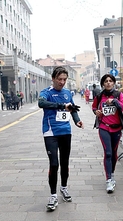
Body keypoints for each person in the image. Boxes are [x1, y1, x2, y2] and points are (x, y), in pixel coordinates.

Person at [38, 66, 83, 211]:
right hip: (50, 132)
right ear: (53, 78)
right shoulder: (46, 92)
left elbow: (72, 109)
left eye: (64, 79)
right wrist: (61, 105)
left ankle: (63, 187)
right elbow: (41, 103)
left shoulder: (67, 93)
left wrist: (77, 121)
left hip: (65, 131)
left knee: (64, 162)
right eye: (59, 79)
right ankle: (53, 196)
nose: (62, 82)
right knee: (54, 164)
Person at [92, 74, 123, 193]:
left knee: (113, 153)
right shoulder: (99, 95)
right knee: (107, 153)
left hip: (117, 128)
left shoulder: (119, 95)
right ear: (103, 84)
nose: (108, 83)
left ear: (113, 83)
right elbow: (94, 107)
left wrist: (115, 101)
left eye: (110, 81)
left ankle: (111, 173)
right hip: (104, 127)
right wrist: (96, 112)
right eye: (106, 81)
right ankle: (108, 180)